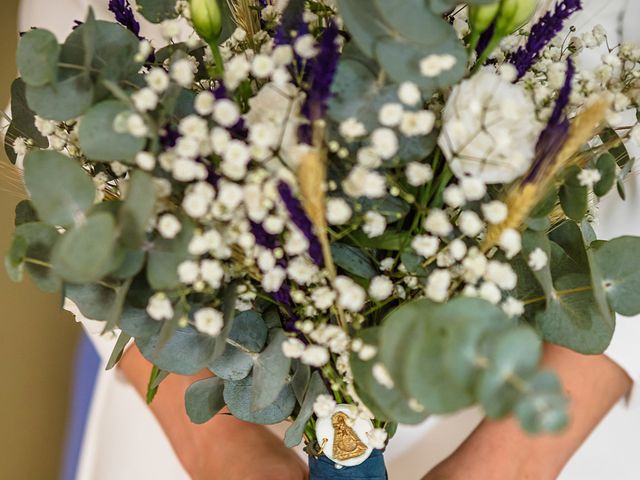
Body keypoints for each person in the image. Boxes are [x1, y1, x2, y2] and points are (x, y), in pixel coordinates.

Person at [15, 0, 640, 478]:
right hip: (201, 383)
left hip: (535, 390)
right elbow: (85, 161)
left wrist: (508, 465)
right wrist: (223, 452)